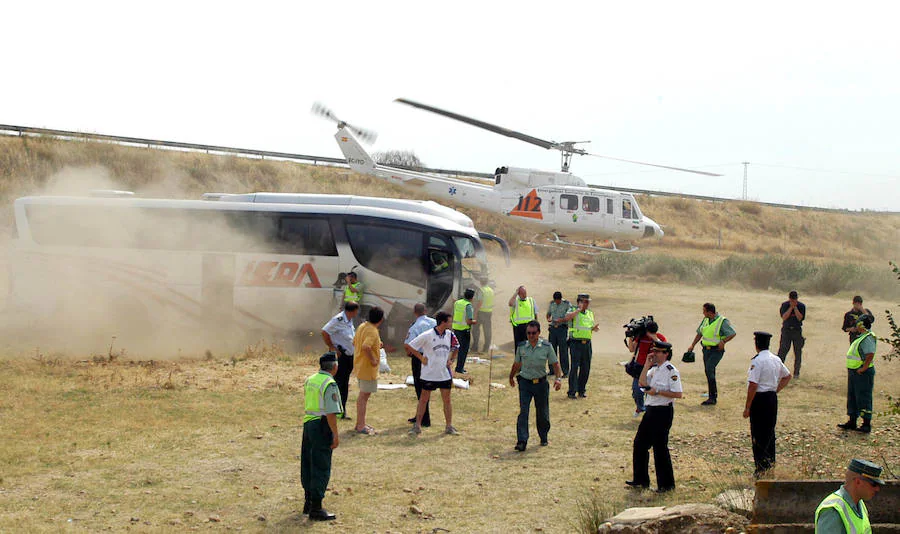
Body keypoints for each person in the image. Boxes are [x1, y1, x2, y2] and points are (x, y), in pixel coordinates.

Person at [626, 340, 682, 493]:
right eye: (654, 351)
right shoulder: (654, 369)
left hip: (663, 411)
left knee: (660, 447)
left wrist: (657, 392)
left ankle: (666, 485)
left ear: (666, 354)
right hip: (651, 410)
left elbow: (678, 394)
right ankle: (640, 479)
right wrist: (646, 365)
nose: (654, 354)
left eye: (658, 352)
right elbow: (642, 383)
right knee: (639, 443)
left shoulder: (671, 371)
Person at [743, 331, 792, 478]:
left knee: (758, 434)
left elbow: (753, 385)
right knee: (769, 432)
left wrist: (747, 407)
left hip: (760, 399)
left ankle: (760, 468)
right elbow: (787, 376)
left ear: (756, 344)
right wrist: (775, 390)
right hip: (771, 398)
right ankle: (770, 466)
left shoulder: (757, 361)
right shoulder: (775, 359)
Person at [509, 320, 563, 451]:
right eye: (528, 333)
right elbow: (517, 364)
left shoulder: (546, 346)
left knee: (542, 413)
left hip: (541, 384)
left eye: (533, 333)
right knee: (523, 412)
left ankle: (543, 436)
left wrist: (558, 378)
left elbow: (555, 364)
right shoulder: (521, 347)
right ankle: (522, 440)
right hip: (525, 383)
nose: (531, 335)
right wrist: (511, 376)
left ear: (539, 333)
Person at [301, 352, 342, 521]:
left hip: (308, 423)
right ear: (334, 367)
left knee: (308, 463)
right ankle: (316, 509)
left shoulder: (310, 379)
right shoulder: (329, 383)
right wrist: (335, 434)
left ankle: (308, 502)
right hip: (322, 425)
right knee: (321, 465)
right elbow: (331, 413)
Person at [405, 311, 460, 436]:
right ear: (443, 322)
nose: (451, 323)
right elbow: (410, 345)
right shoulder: (427, 335)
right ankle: (417, 425)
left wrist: (451, 360)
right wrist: (421, 358)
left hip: (444, 374)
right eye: (450, 321)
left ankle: (449, 426)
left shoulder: (450, 335)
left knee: (447, 400)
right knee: (423, 399)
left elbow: (456, 346)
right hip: (429, 373)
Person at [814, 459, 883, 533]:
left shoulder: (860, 505)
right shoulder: (832, 510)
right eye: (873, 484)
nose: (877, 489)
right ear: (858, 482)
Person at [687, 302, 736, 406]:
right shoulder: (705, 320)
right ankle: (711, 395)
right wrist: (692, 345)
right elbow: (699, 333)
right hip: (706, 350)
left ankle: (712, 398)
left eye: (704, 311)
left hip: (716, 351)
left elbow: (732, 333)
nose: (703, 313)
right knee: (708, 371)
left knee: (709, 369)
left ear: (709, 312)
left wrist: (723, 342)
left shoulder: (722, 321)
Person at [837, 314, 876, 433]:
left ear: (862, 325)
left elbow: (870, 355)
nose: (856, 326)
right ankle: (852, 420)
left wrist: (863, 368)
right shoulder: (861, 337)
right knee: (853, 396)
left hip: (862, 373)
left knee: (863, 397)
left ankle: (866, 423)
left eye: (858, 324)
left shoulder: (868, 338)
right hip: (854, 372)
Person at [320, 301, 358, 419]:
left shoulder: (349, 320)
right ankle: (335, 410)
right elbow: (325, 332)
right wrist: (332, 347)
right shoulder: (339, 319)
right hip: (341, 356)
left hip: (349, 356)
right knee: (339, 384)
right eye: (356, 311)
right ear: (352, 311)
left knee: (344, 384)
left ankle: (341, 410)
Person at [560, 294, 599, 399]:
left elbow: (588, 326)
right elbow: (567, 318)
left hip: (587, 343)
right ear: (579, 302)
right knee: (574, 367)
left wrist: (593, 328)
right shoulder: (572, 309)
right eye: (585, 302)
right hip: (575, 343)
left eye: (588, 302)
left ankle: (581, 390)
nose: (587, 304)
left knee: (585, 368)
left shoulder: (590, 313)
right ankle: (572, 391)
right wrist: (578, 310)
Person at [352, 306, 384, 435]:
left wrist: (377, 345)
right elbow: (365, 346)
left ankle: (360, 423)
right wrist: (373, 359)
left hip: (360, 365)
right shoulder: (372, 330)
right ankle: (361, 425)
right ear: (381, 319)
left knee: (363, 395)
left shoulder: (362, 326)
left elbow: (355, 342)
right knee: (364, 396)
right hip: (367, 368)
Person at [405, 303, 437, 427]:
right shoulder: (434, 322)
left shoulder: (415, 326)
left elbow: (408, 345)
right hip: (434, 357)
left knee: (420, 388)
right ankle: (421, 414)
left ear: (415, 312)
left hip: (420, 358)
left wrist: (410, 353)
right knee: (427, 387)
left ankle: (424, 418)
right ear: (426, 310)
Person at [627, 321, 666, 417]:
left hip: (654, 367)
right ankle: (640, 407)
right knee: (637, 390)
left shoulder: (660, 337)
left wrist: (653, 337)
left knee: (651, 391)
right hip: (640, 366)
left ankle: (649, 411)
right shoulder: (640, 336)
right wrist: (630, 337)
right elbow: (631, 349)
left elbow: (664, 348)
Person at [777, 290, 806, 378]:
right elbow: (784, 317)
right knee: (782, 351)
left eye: (795, 300)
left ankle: (796, 373)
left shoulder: (801, 306)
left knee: (798, 352)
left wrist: (795, 308)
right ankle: (778, 372)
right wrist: (790, 308)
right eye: (792, 300)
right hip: (786, 331)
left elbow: (800, 318)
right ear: (789, 299)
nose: (793, 302)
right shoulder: (784, 305)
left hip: (797, 331)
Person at [546, 291, 572, 377]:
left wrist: (560, 320)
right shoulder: (552, 304)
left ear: (561, 299)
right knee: (551, 351)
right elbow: (548, 313)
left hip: (562, 329)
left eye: (558, 301)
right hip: (553, 329)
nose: (556, 302)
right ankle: (552, 370)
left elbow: (569, 316)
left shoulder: (566, 304)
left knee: (563, 351)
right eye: (555, 300)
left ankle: (565, 372)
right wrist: (548, 318)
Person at [452, 288, 477, 374]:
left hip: (456, 328)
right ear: (472, 297)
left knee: (457, 349)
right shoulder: (468, 306)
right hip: (464, 330)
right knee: (463, 350)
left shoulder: (457, 303)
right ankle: (459, 368)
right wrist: (475, 321)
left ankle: (456, 366)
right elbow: (469, 321)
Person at [471, 277, 494, 353]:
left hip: (481, 312)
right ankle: (486, 348)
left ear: (480, 282)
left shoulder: (480, 290)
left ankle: (475, 347)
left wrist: (475, 312)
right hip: (489, 312)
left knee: (475, 329)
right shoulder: (491, 290)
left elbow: (480, 302)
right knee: (487, 330)